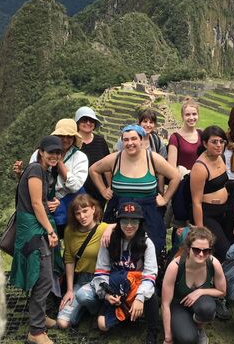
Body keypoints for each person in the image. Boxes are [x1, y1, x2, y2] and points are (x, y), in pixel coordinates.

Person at [89, 125, 179, 261]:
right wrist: (103, 190)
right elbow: (93, 170)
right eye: (126, 140)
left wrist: (165, 199)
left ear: (141, 140)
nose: (130, 143)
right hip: (118, 211)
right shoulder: (115, 159)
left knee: (150, 250)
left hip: (148, 213)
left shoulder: (152, 158)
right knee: (115, 250)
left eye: (133, 139)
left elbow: (175, 176)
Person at [9, 136, 63, 344]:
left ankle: (39, 318)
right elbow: (36, 204)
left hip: (34, 226)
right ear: (41, 151)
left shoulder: (38, 171)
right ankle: (36, 331)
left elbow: (36, 198)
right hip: (34, 230)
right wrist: (50, 231)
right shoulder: (36, 170)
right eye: (51, 152)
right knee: (42, 278)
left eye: (58, 153)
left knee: (45, 274)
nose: (55, 156)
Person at [87, 202, 160, 344]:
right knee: (102, 325)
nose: (129, 225)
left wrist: (140, 297)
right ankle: (125, 316)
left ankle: (152, 330)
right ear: (118, 222)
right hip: (115, 287)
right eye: (124, 220)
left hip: (137, 287)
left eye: (134, 220)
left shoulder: (146, 243)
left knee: (151, 295)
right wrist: (106, 295)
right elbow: (101, 271)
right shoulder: (109, 241)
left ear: (140, 222)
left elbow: (150, 275)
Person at [57, 194, 114, 329]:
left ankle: (95, 310)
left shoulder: (103, 228)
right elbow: (69, 260)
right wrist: (69, 290)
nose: (82, 217)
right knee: (62, 323)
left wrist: (110, 227)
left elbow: (126, 226)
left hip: (101, 280)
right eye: (78, 213)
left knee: (83, 296)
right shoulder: (69, 231)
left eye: (85, 211)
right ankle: (88, 308)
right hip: (82, 279)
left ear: (93, 209)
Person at [161, 227, 227, 344]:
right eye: (196, 250)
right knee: (188, 339)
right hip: (178, 305)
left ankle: (199, 327)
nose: (201, 254)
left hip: (200, 303)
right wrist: (168, 337)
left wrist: (199, 292)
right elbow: (165, 304)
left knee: (208, 308)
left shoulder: (213, 263)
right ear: (188, 249)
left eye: (206, 250)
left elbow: (222, 291)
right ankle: (186, 327)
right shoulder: (175, 266)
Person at [190, 126, 234, 260]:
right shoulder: (199, 168)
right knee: (225, 251)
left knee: (230, 247)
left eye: (222, 141)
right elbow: (196, 201)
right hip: (207, 214)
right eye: (214, 142)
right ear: (204, 143)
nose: (219, 145)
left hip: (224, 211)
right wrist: (200, 230)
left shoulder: (221, 158)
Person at [75, 106, 111, 207]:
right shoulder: (71, 142)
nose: (88, 123)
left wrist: (109, 187)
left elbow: (107, 167)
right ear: (77, 122)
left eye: (91, 120)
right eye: (84, 120)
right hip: (78, 193)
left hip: (99, 193)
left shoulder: (100, 141)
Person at [168, 98, 203, 171]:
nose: (191, 118)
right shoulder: (175, 138)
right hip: (183, 180)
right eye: (187, 114)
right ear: (182, 116)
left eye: (194, 114)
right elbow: (171, 168)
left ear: (198, 115)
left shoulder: (201, 134)